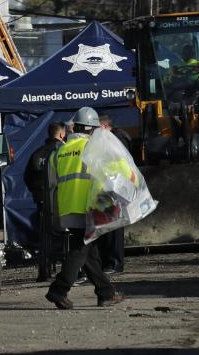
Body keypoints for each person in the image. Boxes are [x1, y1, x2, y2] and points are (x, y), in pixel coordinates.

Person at [45, 106, 124, 310]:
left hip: (67, 208)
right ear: (92, 129)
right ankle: (59, 290)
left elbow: (52, 182)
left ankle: (106, 293)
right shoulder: (94, 147)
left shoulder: (60, 151)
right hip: (88, 208)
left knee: (89, 253)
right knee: (80, 250)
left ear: (75, 126)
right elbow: (116, 170)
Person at [25, 120, 67, 281]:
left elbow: (27, 177)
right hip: (63, 202)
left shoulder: (37, 153)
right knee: (67, 238)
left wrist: (39, 194)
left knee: (45, 238)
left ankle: (44, 273)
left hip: (43, 202)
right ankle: (72, 272)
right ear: (62, 134)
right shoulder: (65, 152)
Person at [96, 113, 127, 274]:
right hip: (106, 190)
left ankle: (115, 263)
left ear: (106, 126)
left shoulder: (115, 143)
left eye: (98, 128)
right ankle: (108, 262)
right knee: (106, 227)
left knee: (114, 229)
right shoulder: (109, 142)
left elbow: (120, 167)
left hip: (114, 190)